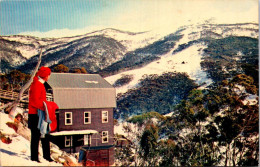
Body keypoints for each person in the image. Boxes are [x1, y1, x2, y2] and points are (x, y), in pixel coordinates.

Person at [28, 66, 53, 163]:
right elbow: (34, 101)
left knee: (44, 135)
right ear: (46, 76)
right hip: (36, 115)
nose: (49, 76)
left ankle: (46, 156)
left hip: (39, 114)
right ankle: (34, 158)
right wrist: (45, 107)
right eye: (49, 75)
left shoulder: (38, 84)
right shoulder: (37, 85)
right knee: (36, 136)